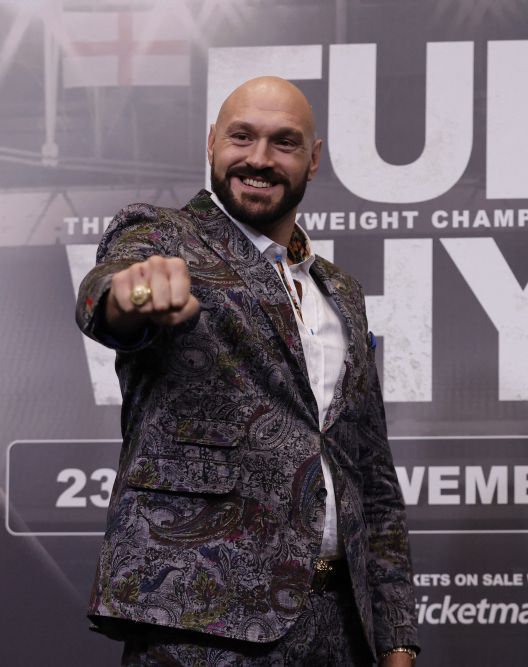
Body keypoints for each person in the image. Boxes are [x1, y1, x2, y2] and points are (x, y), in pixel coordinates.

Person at [75, 76, 419, 665]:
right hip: (201, 622)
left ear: (312, 161)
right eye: (242, 136)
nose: (259, 159)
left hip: (341, 627)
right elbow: (107, 294)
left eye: (284, 143)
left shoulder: (341, 292)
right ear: (211, 142)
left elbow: (372, 475)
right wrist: (130, 294)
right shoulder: (164, 237)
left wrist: (397, 638)